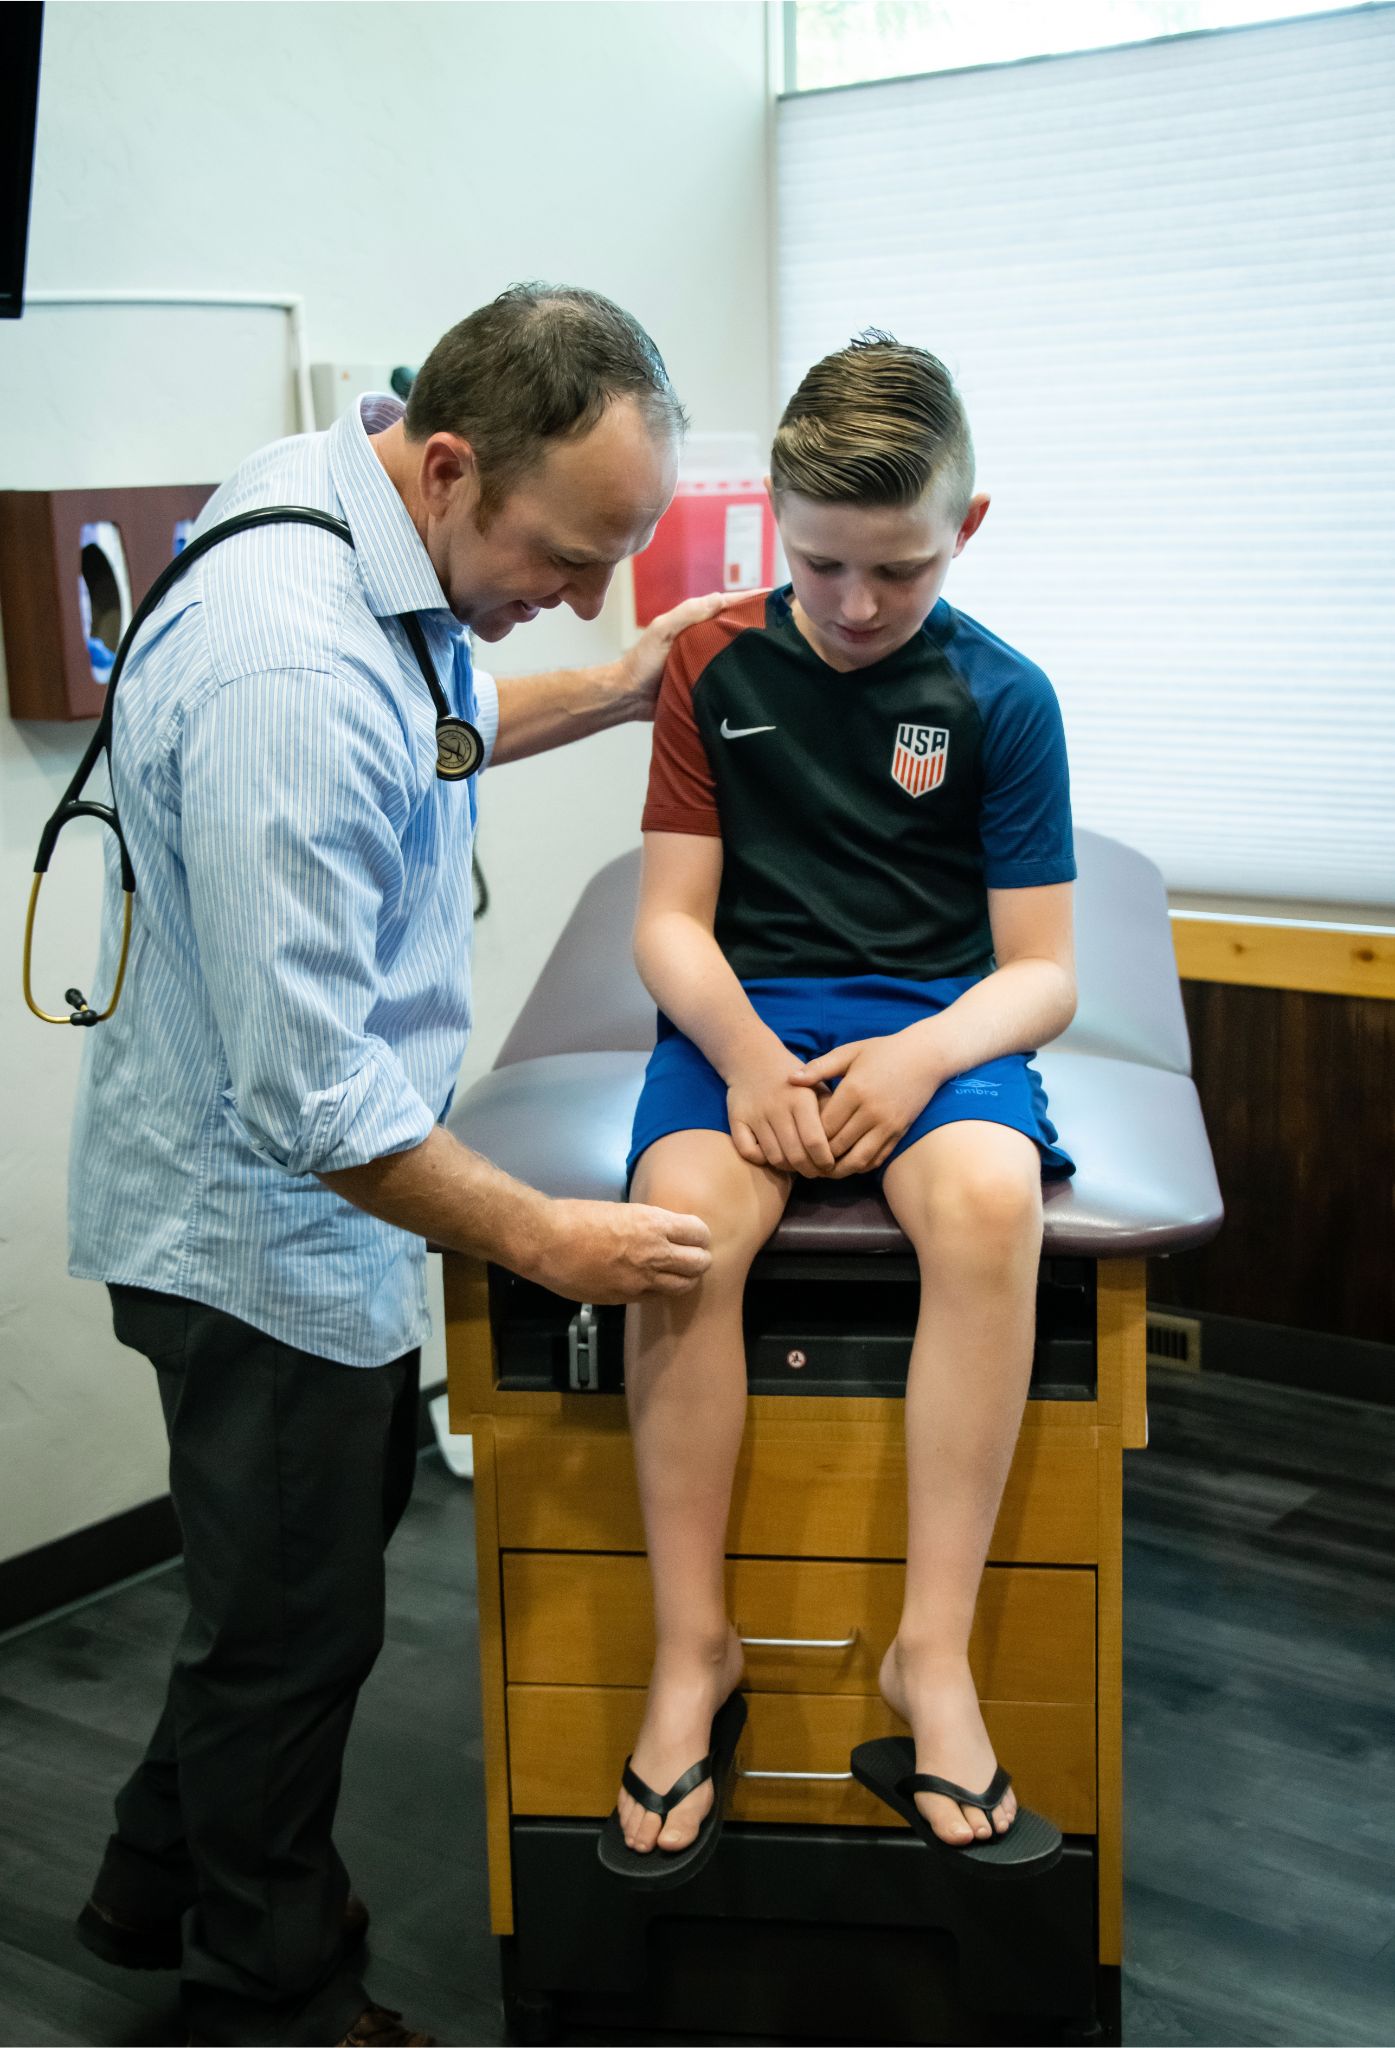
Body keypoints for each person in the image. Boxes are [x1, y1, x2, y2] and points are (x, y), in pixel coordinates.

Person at [66, 284, 721, 2047]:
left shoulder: (354, 500)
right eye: (571, 557)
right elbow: (315, 1100)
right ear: (448, 463)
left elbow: (431, 722)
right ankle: (271, 1986)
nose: (583, 595)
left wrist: (626, 684)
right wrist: (546, 1243)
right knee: (293, 1636)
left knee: (285, 1584)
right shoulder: (291, 665)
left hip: (301, 1215)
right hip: (256, 1228)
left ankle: (148, 1879)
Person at [601, 333, 1078, 1884]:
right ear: (775, 529)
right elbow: (669, 922)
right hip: (745, 1018)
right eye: (820, 566)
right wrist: (743, 1059)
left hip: (935, 1026)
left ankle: (928, 1658)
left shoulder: (1006, 698)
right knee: (679, 1230)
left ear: (970, 526)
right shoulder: (709, 664)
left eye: (900, 568)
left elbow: (1043, 974)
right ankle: (696, 1652)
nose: (858, 605)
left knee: (993, 1203)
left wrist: (925, 1058)